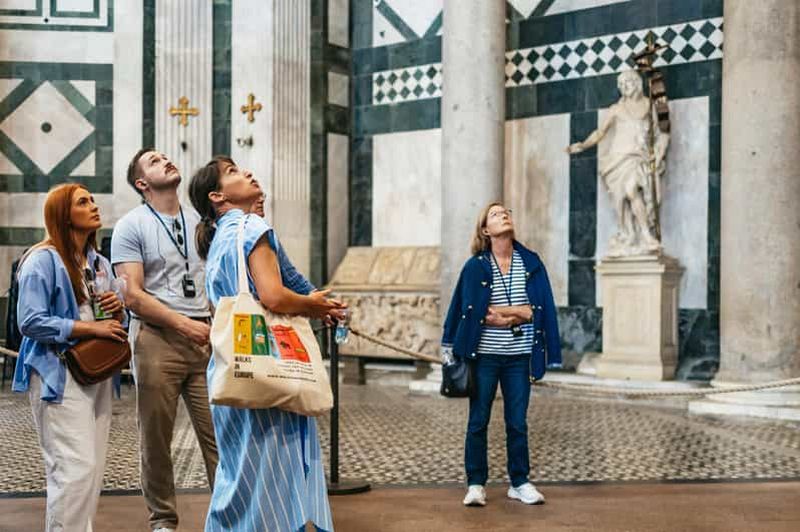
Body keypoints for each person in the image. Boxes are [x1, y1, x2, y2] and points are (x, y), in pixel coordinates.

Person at [189, 156, 345, 532]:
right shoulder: (251, 226)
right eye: (233, 173)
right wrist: (314, 305)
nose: (248, 173)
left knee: (238, 477)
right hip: (268, 371)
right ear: (217, 196)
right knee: (273, 478)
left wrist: (310, 299)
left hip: (233, 368)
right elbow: (274, 297)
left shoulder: (218, 242)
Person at [112, 149, 218, 532]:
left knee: (221, 434)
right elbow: (133, 295)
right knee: (156, 439)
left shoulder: (200, 220)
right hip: (156, 340)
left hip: (206, 338)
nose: (166, 161)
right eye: (154, 162)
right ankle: (163, 521)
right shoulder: (131, 225)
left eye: (166, 157)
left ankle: (231, 515)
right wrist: (183, 325)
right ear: (142, 183)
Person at [13, 183, 127, 531]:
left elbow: (114, 322)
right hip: (58, 375)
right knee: (73, 469)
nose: (94, 206)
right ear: (63, 214)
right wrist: (91, 329)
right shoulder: (42, 260)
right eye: (83, 202)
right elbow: (30, 321)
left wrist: (118, 310)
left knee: (90, 472)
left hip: (98, 372)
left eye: (93, 200)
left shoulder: (99, 262)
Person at [441, 202, 562, 507]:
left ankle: (519, 482)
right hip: (484, 357)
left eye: (506, 211)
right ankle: (476, 483)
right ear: (486, 230)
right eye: (495, 214)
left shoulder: (531, 262)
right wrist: (517, 312)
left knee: (517, 422)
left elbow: (537, 310)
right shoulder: (476, 266)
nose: (504, 215)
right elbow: (471, 310)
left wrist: (507, 315)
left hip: (520, 357)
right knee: (478, 421)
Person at [566, 69, 669, 256]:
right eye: (621, 85)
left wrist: (659, 153)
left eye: (627, 83)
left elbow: (659, 132)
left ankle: (646, 235)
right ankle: (629, 234)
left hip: (637, 157)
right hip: (616, 159)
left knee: (632, 190)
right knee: (620, 200)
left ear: (636, 83)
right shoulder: (616, 109)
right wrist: (581, 146)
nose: (624, 88)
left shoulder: (649, 106)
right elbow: (600, 133)